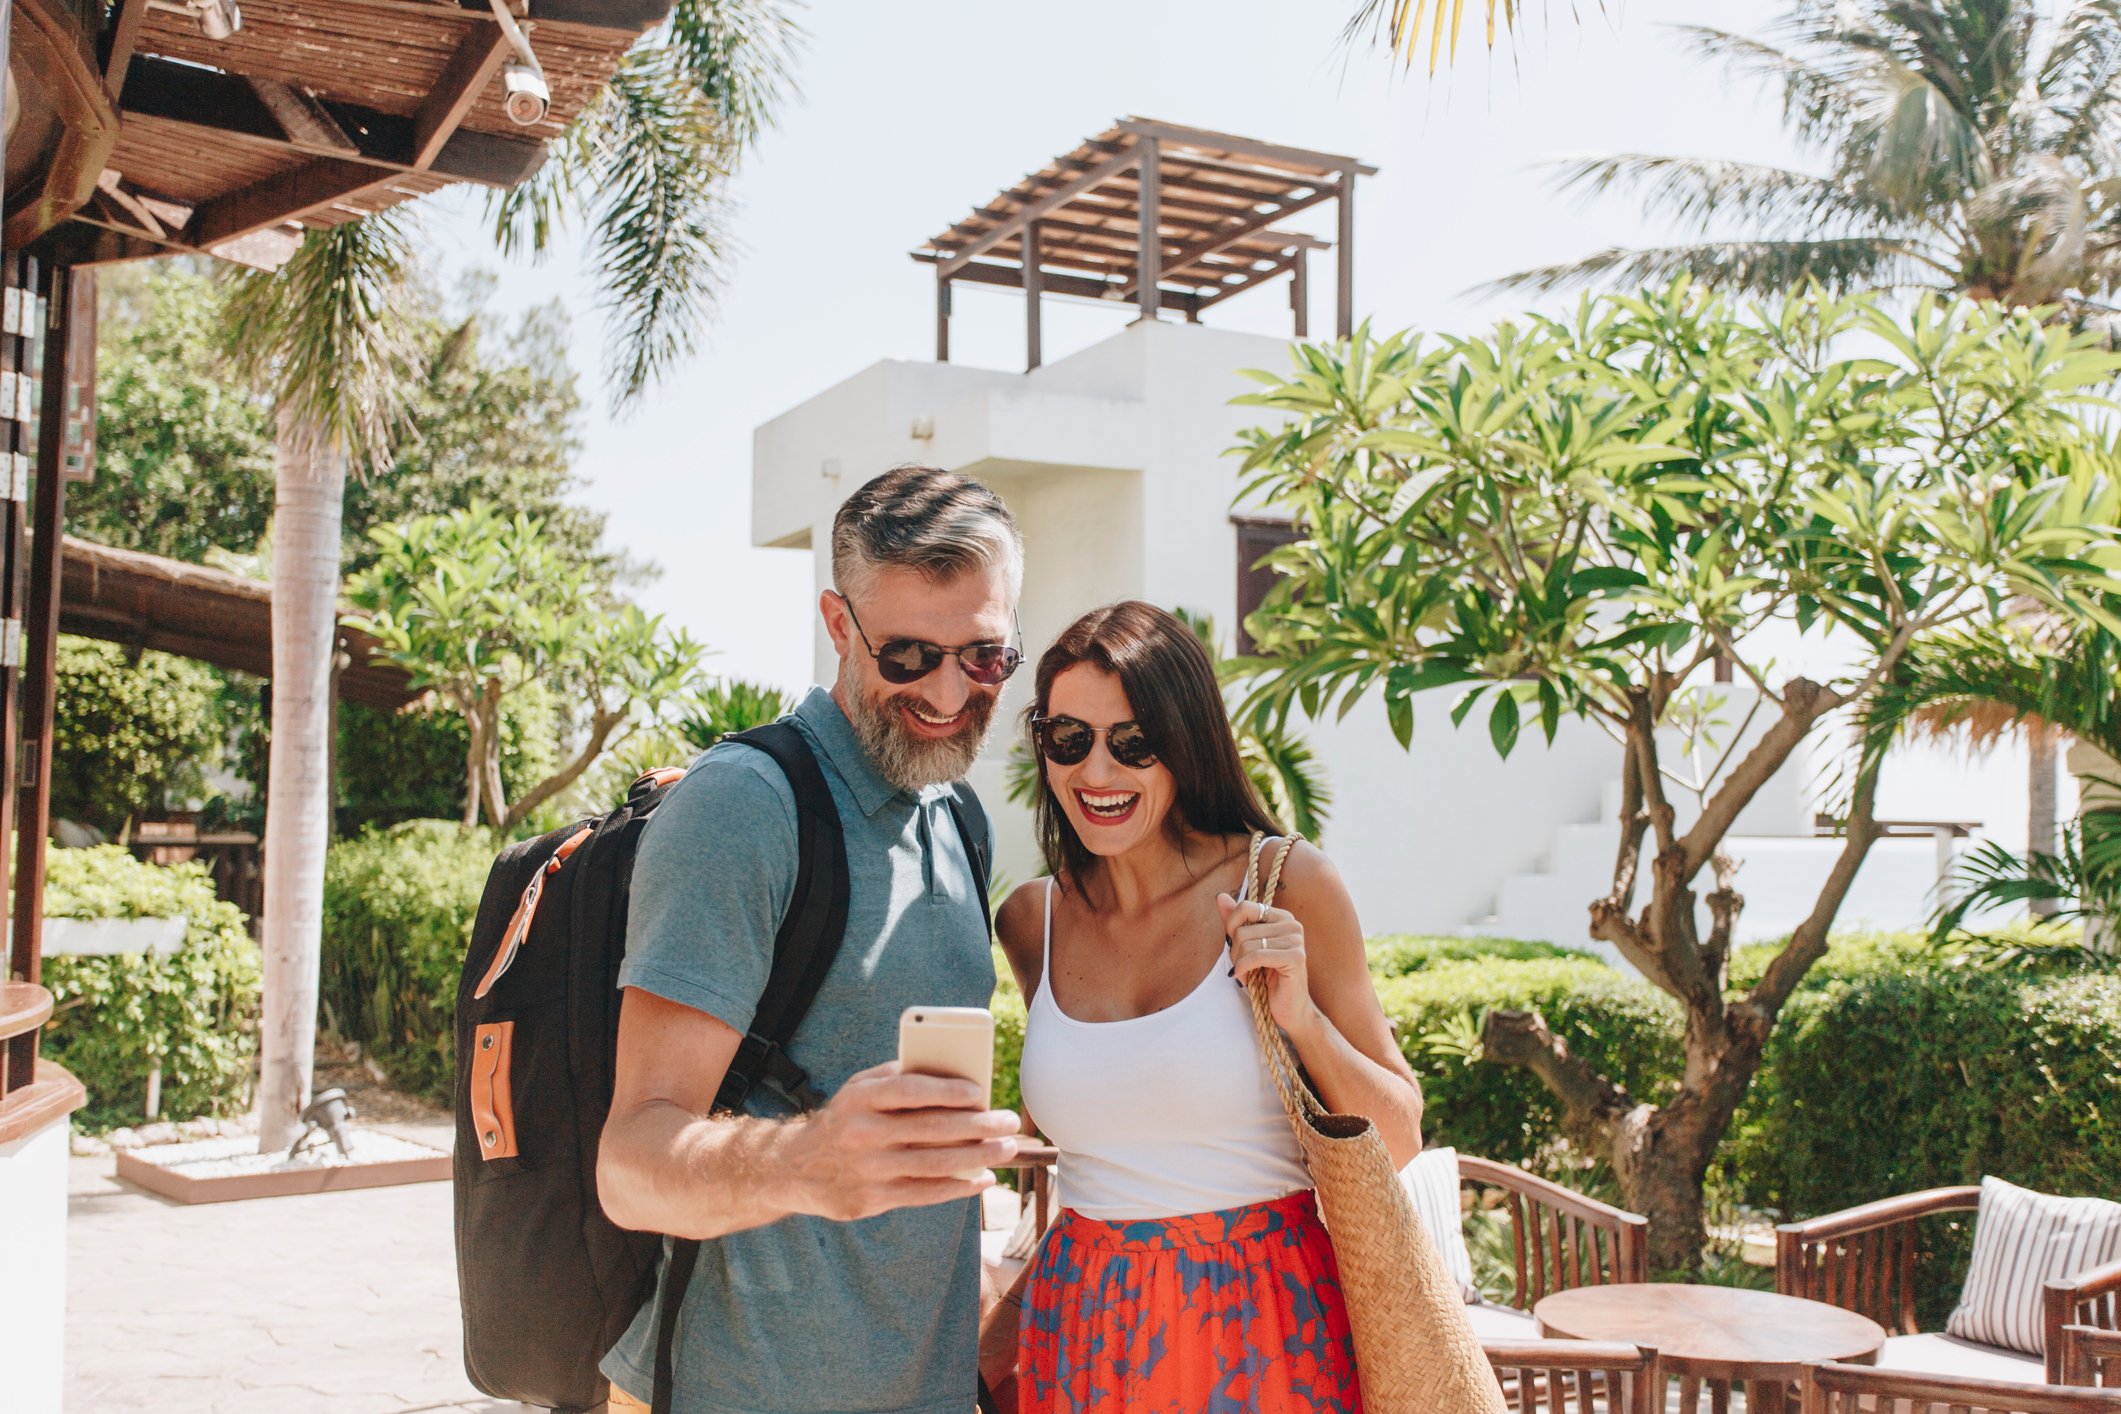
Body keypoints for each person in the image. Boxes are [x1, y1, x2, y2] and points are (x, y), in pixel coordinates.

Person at [597, 465, 1026, 1414]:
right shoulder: (743, 808)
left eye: (986, 656)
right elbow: (630, 1165)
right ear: (839, 625)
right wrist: (805, 1162)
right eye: (910, 654)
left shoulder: (957, 814)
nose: (952, 692)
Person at [995, 600, 1424, 1414]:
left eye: (1134, 744)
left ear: (1185, 746)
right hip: (1081, 1329)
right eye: (1068, 739)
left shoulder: (1288, 883)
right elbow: (1100, 1143)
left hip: (1260, 1327)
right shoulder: (1029, 921)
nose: (1097, 773)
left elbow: (1398, 1138)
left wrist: (1302, 1019)